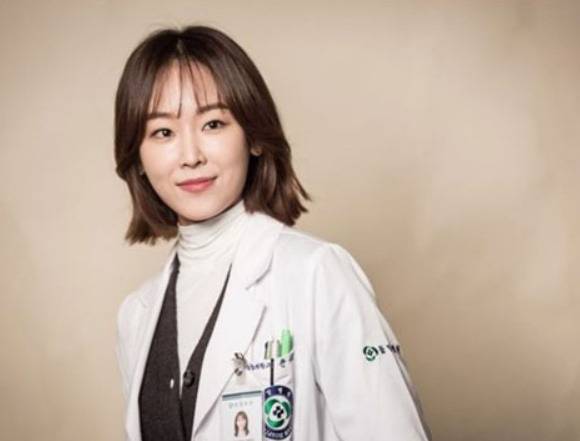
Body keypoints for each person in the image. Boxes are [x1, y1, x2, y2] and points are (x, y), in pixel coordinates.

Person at [114, 24, 431, 441]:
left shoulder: (318, 275)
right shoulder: (136, 316)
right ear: (137, 158)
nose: (190, 156)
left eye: (213, 124)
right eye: (163, 132)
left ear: (254, 138)